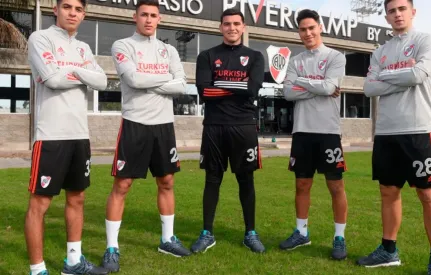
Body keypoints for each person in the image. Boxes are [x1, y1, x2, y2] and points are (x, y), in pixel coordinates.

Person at [356, 0, 431, 274]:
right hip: (386, 132)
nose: (397, 14)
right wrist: (399, 76)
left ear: (412, 12)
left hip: (417, 129)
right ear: (386, 16)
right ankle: (388, 250)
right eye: (392, 11)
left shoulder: (425, 40)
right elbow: (369, 88)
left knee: (428, 194)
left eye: (401, 9)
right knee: (388, 191)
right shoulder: (379, 51)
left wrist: (386, 76)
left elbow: (419, 74)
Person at [100, 0, 190, 271]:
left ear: (159, 19)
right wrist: (165, 80)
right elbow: (133, 80)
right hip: (134, 124)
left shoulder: (169, 50)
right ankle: (112, 248)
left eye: (153, 15)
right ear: (134, 17)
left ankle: (167, 239)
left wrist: (151, 80)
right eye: (144, 15)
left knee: (166, 181)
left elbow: (183, 85)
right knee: (122, 185)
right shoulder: (123, 46)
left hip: (164, 125)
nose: (149, 20)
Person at [25, 0, 108, 274]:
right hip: (51, 135)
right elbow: (51, 79)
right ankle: (37, 270)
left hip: (79, 135)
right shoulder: (41, 38)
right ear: (56, 10)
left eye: (78, 9)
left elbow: (104, 82)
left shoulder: (84, 48)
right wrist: (86, 75)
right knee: (40, 203)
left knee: (77, 198)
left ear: (84, 15)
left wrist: (73, 72)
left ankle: (73, 262)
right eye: (67, 7)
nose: (73, 13)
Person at [190, 8, 266, 254]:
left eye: (236, 23)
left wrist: (220, 85)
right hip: (214, 126)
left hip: (244, 126)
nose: (231, 28)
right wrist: (238, 87)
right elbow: (204, 91)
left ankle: (250, 233)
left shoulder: (254, 56)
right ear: (220, 27)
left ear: (243, 27)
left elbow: (253, 89)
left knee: (246, 180)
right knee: (212, 179)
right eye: (226, 24)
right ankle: (206, 233)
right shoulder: (207, 56)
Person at [280, 9, 348, 260]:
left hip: (329, 131)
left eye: (311, 28)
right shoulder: (296, 61)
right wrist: (319, 87)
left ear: (319, 27)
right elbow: (287, 93)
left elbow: (331, 86)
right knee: (301, 184)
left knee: (336, 185)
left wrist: (304, 83)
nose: (307, 33)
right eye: (302, 29)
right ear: (298, 32)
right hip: (302, 132)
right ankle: (301, 233)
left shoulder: (336, 56)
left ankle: (339, 237)